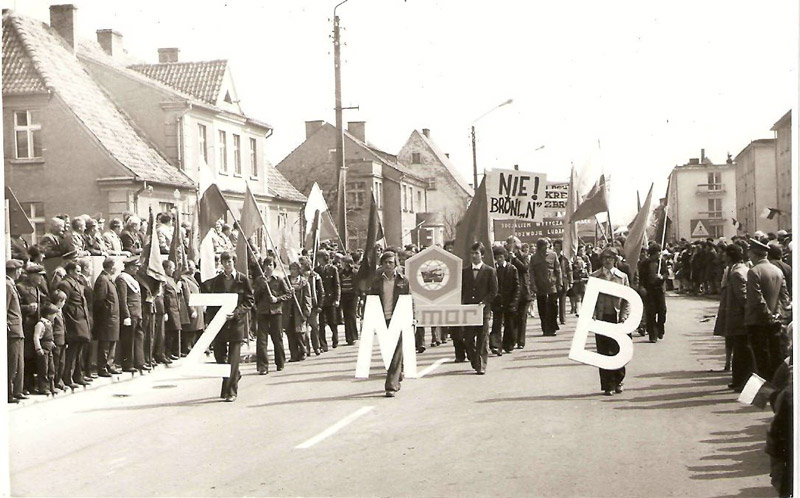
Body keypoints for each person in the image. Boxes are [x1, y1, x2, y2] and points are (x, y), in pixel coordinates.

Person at [205, 252, 254, 402]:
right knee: (219, 355)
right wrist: (209, 322)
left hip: (236, 324)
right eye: (225, 262)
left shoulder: (242, 280)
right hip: (220, 324)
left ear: (234, 262)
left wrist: (237, 313)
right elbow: (211, 303)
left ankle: (231, 390)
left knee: (233, 358)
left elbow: (249, 301)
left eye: (230, 261)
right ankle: (234, 376)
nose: (227, 264)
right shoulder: (216, 281)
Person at [745, 238, 790, 381]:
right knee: (775, 355)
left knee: (760, 358)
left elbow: (757, 299)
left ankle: (764, 393)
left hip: (757, 321)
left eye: (750, 253)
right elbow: (784, 296)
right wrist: (778, 314)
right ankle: (776, 389)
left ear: (753, 254)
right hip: (775, 320)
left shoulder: (754, 271)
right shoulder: (777, 271)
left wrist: (768, 315)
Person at [367, 251, 410, 397]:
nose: (388, 265)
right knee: (388, 351)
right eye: (385, 262)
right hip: (382, 318)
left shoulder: (403, 280)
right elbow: (371, 300)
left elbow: (409, 299)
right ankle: (397, 374)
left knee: (395, 350)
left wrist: (411, 317)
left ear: (396, 264)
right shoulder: (377, 281)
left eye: (391, 262)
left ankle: (391, 385)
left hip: (398, 318)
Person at [590, 247, 631, 396]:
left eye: (611, 258)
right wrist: (592, 314)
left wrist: (624, 317)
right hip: (602, 317)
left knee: (618, 350)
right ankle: (608, 385)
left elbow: (627, 299)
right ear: (601, 260)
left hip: (617, 318)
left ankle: (618, 380)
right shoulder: (595, 276)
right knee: (603, 352)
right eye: (605, 257)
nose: (608, 260)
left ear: (615, 260)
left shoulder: (622, 277)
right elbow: (590, 299)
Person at [713, 243, 753, 392]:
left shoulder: (737, 272)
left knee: (741, 350)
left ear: (730, 256)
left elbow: (743, 297)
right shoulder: (737, 270)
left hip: (739, 318)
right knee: (740, 349)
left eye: (725, 254)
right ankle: (739, 380)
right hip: (738, 317)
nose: (723, 256)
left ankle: (740, 381)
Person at [460, 242, 498, 375]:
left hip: (483, 310)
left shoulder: (490, 271)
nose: (474, 256)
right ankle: (474, 359)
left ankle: (481, 364)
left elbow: (493, 291)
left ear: (482, 255)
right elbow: (461, 290)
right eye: (472, 253)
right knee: (468, 338)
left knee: (482, 338)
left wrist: (484, 302)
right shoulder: (464, 271)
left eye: (477, 253)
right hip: (469, 310)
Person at [58, 261, 92, 388]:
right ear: (71, 271)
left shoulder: (76, 283)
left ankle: (77, 376)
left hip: (81, 319)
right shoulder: (65, 284)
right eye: (77, 271)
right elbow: (64, 306)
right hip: (74, 321)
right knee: (72, 351)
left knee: (78, 351)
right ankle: (68, 378)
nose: (79, 274)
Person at [254, 257, 291, 374]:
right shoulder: (260, 280)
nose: (268, 267)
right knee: (261, 340)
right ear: (263, 267)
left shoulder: (279, 280)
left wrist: (277, 299)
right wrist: (262, 286)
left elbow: (288, 294)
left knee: (277, 338)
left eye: (270, 265)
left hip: (276, 312)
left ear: (273, 267)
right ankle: (263, 366)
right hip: (263, 312)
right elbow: (255, 296)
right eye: (266, 265)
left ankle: (280, 362)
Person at [17, 264, 48, 394]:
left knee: (33, 357)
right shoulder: (21, 287)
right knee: (26, 357)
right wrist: (27, 308)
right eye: (39, 276)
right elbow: (15, 307)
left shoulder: (36, 288)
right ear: (31, 275)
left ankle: (31, 385)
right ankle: (24, 386)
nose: (41, 279)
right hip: (26, 326)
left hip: (36, 327)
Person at [116, 257, 148, 373]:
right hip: (130, 314)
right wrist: (126, 316)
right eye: (135, 267)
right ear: (130, 267)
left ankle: (140, 362)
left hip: (137, 313)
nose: (137, 269)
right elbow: (123, 299)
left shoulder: (132, 278)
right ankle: (127, 364)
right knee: (128, 340)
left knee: (139, 338)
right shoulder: (122, 279)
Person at [93, 258, 121, 377]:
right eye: (115, 266)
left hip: (112, 318)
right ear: (110, 267)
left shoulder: (109, 279)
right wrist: (106, 314)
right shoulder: (103, 280)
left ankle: (109, 364)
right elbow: (99, 300)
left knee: (111, 342)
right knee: (105, 343)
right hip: (106, 318)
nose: (116, 269)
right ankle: (103, 367)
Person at [529, 238, 562, 336]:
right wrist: (533, 285)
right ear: (539, 247)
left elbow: (558, 270)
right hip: (540, 286)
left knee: (553, 306)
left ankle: (552, 327)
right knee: (542, 307)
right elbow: (531, 272)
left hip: (552, 285)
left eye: (548, 247)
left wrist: (559, 283)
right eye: (544, 247)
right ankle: (545, 328)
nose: (546, 249)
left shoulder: (553, 255)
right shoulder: (534, 258)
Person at [490, 246, 519, 355]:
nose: (499, 259)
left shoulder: (512, 269)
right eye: (497, 257)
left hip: (509, 300)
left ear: (505, 257)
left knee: (509, 324)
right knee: (496, 323)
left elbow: (517, 286)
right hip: (498, 301)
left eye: (501, 257)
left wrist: (514, 301)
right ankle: (495, 345)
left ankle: (508, 344)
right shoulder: (494, 270)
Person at [507, 237, 532, 350]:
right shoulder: (506, 256)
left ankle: (521, 341)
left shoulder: (524, 256)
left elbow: (525, 268)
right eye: (508, 243)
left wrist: (515, 259)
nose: (510, 245)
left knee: (522, 317)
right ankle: (512, 339)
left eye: (512, 243)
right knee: (513, 317)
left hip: (523, 291)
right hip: (511, 291)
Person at [639, 243, 668, 343]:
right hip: (649, 290)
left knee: (662, 311)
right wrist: (641, 287)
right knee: (650, 313)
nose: (659, 254)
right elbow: (641, 277)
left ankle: (660, 328)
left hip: (659, 290)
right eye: (657, 252)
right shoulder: (645, 263)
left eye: (660, 252)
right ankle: (652, 334)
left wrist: (662, 277)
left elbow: (666, 274)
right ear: (652, 254)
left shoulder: (662, 262)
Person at [285, 261, 312, 362]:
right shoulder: (286, 281)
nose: (292, 271)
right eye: (291, 269)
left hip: (299, 310)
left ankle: (303, 350)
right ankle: (293, 354)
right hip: (288, 310)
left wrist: (306, 311)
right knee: (290, 332)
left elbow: (307, 298)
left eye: (295, 269)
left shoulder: (304, 283)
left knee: (300, 332)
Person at [7, 259, 26, 403]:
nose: (20, 272)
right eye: (18, 270)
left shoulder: (11, 285)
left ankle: (17, 391)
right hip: (12, 330)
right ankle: (9, 392)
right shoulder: (7, 285)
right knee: (12, 362)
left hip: (17, 329)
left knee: (19, 362)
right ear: (13, 271)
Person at [32, 303, 59, 395]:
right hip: (43, 349)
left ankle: (52, 386)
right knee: (43, 368)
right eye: (54, 314)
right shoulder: (40, 324)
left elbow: (49, 337)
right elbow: (36, 337)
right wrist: (38, 348)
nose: (55, 316)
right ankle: (43, 387)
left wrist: (52, 342)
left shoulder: (49, 323)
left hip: (49, 349)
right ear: (49, 314)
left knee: (51, 368)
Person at [300, 256, 325, 356]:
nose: (300, 266)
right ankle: (307, 348)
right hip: (302, 305)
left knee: (314, 326)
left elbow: (321, 291)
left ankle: (317, 347)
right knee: (304, 328)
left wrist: (320, 305)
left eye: (302, 264)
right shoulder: (299, 277)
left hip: (313, 305)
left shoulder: (315, 276)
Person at [317, 250, 341, 350]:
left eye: (320, 258)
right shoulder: (316, 270)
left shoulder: (333, 269)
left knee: (332, 321)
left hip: (330, 299)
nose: (318, 260)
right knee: (321, 323)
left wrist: (337, 299)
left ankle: (335, 339)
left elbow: (337, 285)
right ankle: (323, 344)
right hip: (321, 300)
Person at [179, 260, 205, 352]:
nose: (193, 268)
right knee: (190, 330)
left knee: (197, 329)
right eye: (191, 266)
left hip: (198, 306)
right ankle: (187, 348)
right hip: (191, 308)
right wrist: (192, 310)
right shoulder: (184, 279)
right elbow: (187, 295)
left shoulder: (192, 278)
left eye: (193, 266)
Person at [161, 260, 183, 360]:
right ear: (166, 268)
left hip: (175, 309)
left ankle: (172, 352)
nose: (173, 270)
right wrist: (164, 311)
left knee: (174, 332)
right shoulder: (164, 280)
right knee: (169, 333)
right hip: (169, 309)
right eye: (171, 268)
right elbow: (163, 296)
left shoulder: (171, 279)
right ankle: (166, 353)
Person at [339, 256, 359, 345]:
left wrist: (359, 295)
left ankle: (354, 336)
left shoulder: (354, 273)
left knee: (352, 315)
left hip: (352, 296)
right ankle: (348, 338)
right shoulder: (341, 273)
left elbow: (357, 285)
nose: (341, 264)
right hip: (344, 296)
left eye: (342, 262)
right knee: (346, 316)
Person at [51, 290, 68, 391]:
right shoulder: (52, 312)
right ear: (58, 301)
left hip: (62, 340)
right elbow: (51, 327)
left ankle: (59, 381)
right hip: (56, 341)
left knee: (62, 363)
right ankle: (53, 383)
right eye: (63, 301)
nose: (64, 303)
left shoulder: (60, 312)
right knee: (55, 363)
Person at [552, 240, 570, 325]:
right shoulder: (551, 258)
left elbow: (569, 270)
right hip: (553, 283)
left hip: (563, 282)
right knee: (553, 302)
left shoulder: (564, 259)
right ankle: (553, 318)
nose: (557, 249)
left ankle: (563, 319)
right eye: (555, 247)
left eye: (558, 248)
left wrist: (571, 282)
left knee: (562, 302)